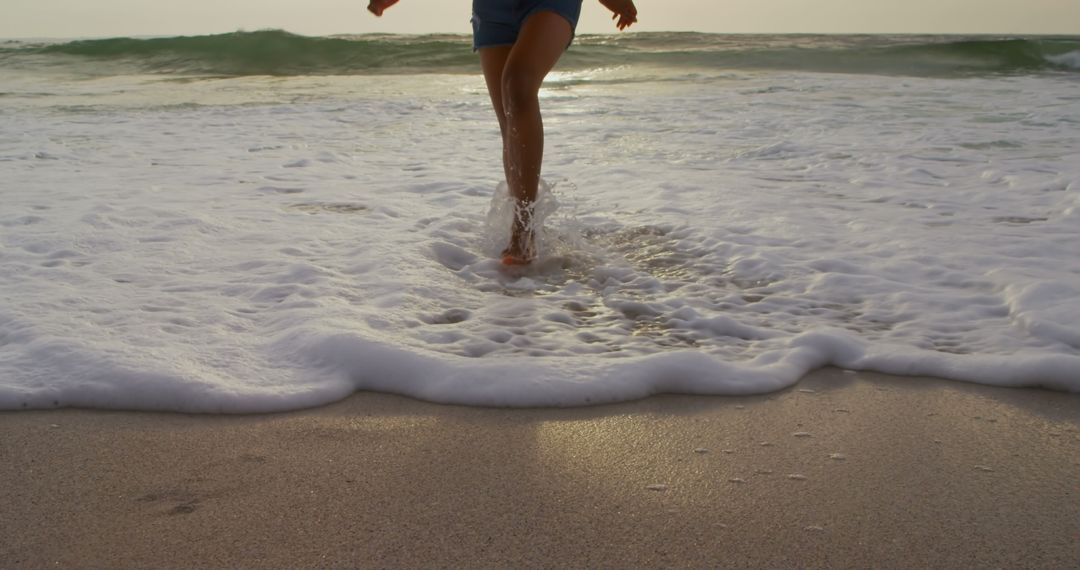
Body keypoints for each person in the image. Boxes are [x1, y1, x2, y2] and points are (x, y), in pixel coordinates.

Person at [368, 0, 638, 265]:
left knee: (517, 85)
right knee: (510, 121)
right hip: (492, 9)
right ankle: (523, 223)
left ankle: (523, 231)